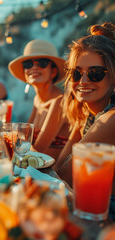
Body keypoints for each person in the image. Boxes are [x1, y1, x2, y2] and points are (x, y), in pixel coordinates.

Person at [54, 23, 115, 186]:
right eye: (76, 73)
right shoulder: (89, 112)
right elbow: (59, 168)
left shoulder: (110, 119)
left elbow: (63, 177)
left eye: (95, 73)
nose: (83, 81)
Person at [8, 39, 71, 159]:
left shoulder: (60, 102)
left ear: (53, 72)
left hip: (51, 174)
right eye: (28, 64)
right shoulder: (37, 100)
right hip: (38, 169)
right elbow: (25, 137)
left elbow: (36, 150)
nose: (34, 67)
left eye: (42, 63)